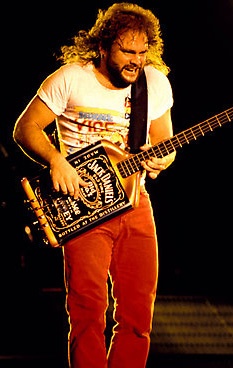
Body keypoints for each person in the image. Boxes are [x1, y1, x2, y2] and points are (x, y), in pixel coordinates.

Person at [13, 2, 176, 367]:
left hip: (136, 204)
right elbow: (25, 129)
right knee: (88, 312)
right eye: (126, 51)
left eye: (142, 51)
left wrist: (162, 158)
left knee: (137, 316)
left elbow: (165, 144)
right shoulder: (71, 77)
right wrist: (57, 160)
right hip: (82, 204)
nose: (136, 60)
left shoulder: (155, 84)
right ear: (103, 46)